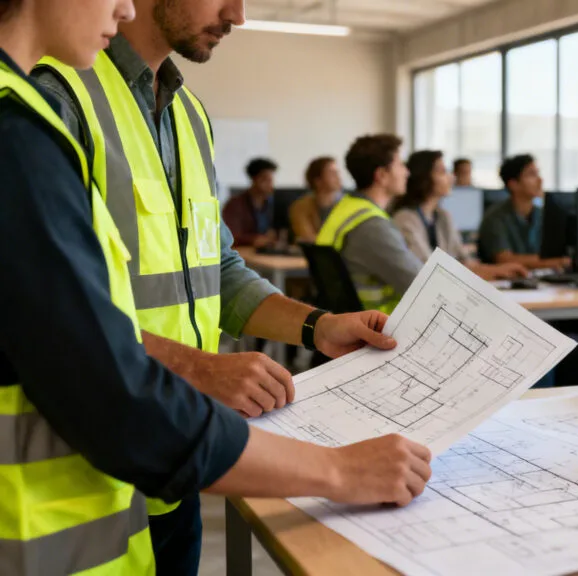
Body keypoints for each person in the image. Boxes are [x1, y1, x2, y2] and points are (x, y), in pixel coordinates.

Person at [0, 1, 431, 575]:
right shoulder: (44, 105)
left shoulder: (189, 116)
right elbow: (69, 333)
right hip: (107, 455)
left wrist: (316, 325)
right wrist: (197, 371)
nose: (239, 14)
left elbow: (215, 267)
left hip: (176, 456)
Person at [317, 134, 424, 313]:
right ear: (381, 175)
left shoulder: (346, 208)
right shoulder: (372, 226)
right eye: (400, 165)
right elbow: (421, 285)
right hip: (380, 328)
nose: (407, 172)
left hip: (351, 322)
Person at [392, 149, 528, 281]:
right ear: (423, 177)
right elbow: (429, 269)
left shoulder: (443, 216)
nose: (451, 177)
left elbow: (464, 261)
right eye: (443, 172)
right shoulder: (405, 219)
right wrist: (493, 271)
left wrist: (498, 270)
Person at [477, 154, 571, 269]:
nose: (540, 180)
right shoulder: (495, 217)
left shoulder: (541, 214)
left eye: (538, 173)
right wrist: (555, 262)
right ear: (513, 184)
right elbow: (504, 259)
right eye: (532, 175)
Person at [222, 157, 278, 248]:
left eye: (271, 180)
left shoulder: (272, 203)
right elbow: (230, 236)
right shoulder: (235, 204)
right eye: (266, 180)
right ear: (254, 179)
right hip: (243, 251)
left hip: (266, 250)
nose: (270, 184)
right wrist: (253, 239)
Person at [291, 155, 344, 243]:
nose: (338, 177)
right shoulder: (300, 207)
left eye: (337, 173)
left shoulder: (347, 204)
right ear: (317, 181)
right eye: (332, 173)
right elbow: (306, 238)